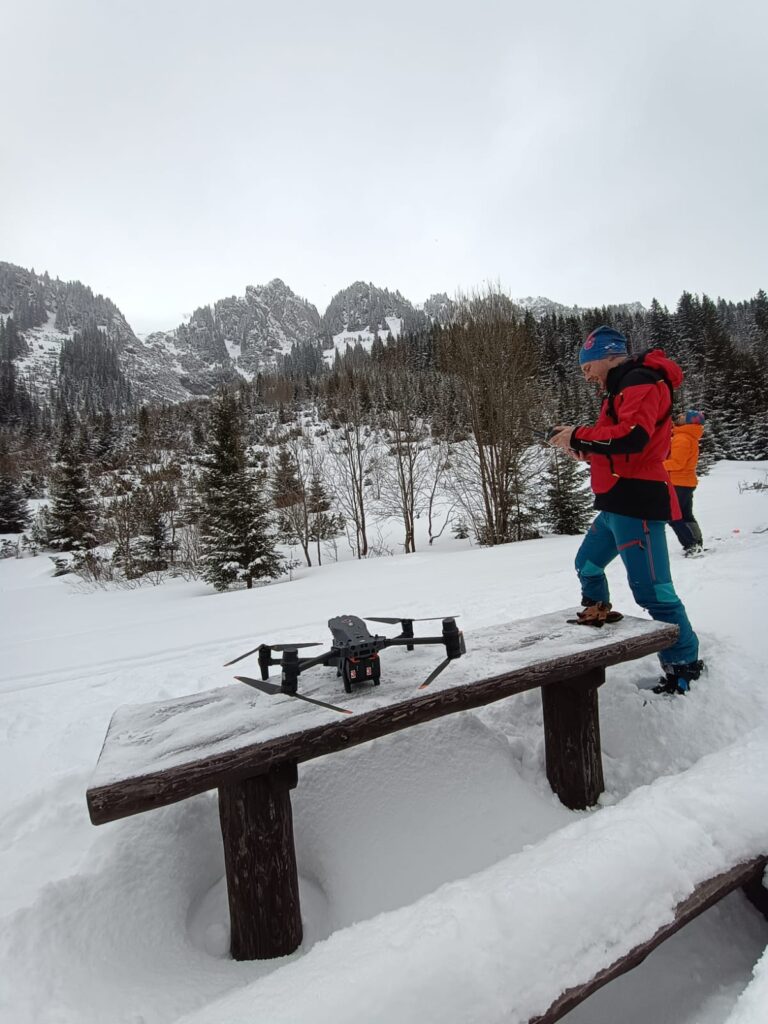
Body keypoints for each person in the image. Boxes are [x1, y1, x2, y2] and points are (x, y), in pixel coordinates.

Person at [549, 325, 703, 696]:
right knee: (587, 565)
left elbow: (634, 436)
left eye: (588, 364)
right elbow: (618, 446)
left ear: (608, 355)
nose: (585, 373)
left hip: (637, 503)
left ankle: (684, 664)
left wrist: (578, 434)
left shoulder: (640, 380)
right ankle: (597, 612)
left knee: (654, 592)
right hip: (615, 503)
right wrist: (581, 449)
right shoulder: (619, 387)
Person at [664, 410, 705, 556]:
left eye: (683, 417)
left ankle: (692, 545)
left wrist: (656, 465)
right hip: (685, 482)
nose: (679, 417)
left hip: (679, 482)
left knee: (673, 516)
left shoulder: (682, 438)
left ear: (689, 422)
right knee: (686, 515)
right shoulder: (687, 437)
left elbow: (677, 463)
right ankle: (696, 543)